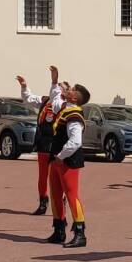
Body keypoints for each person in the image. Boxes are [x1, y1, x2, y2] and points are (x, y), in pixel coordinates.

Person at [45, 65, 92, 248]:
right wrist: (55, 81)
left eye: (71, 89)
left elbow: (76, 141)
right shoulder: (65, 107)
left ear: (74, 97)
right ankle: (59, 230)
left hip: (67, 160)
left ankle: (80, 233)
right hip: (56, 158)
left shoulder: (74, 114)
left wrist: (61, 156)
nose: (68, 89)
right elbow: (54, 99)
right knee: (56, 194)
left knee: (72, 195)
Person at [17, 73, 53, 216]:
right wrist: (24, 86)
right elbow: (29, 99)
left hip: (58, 145)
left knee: (58, 176)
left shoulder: (65, 105)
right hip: (43, 143)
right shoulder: (45, 101)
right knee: (42, 176)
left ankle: (61, 201)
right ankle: (43, 201)